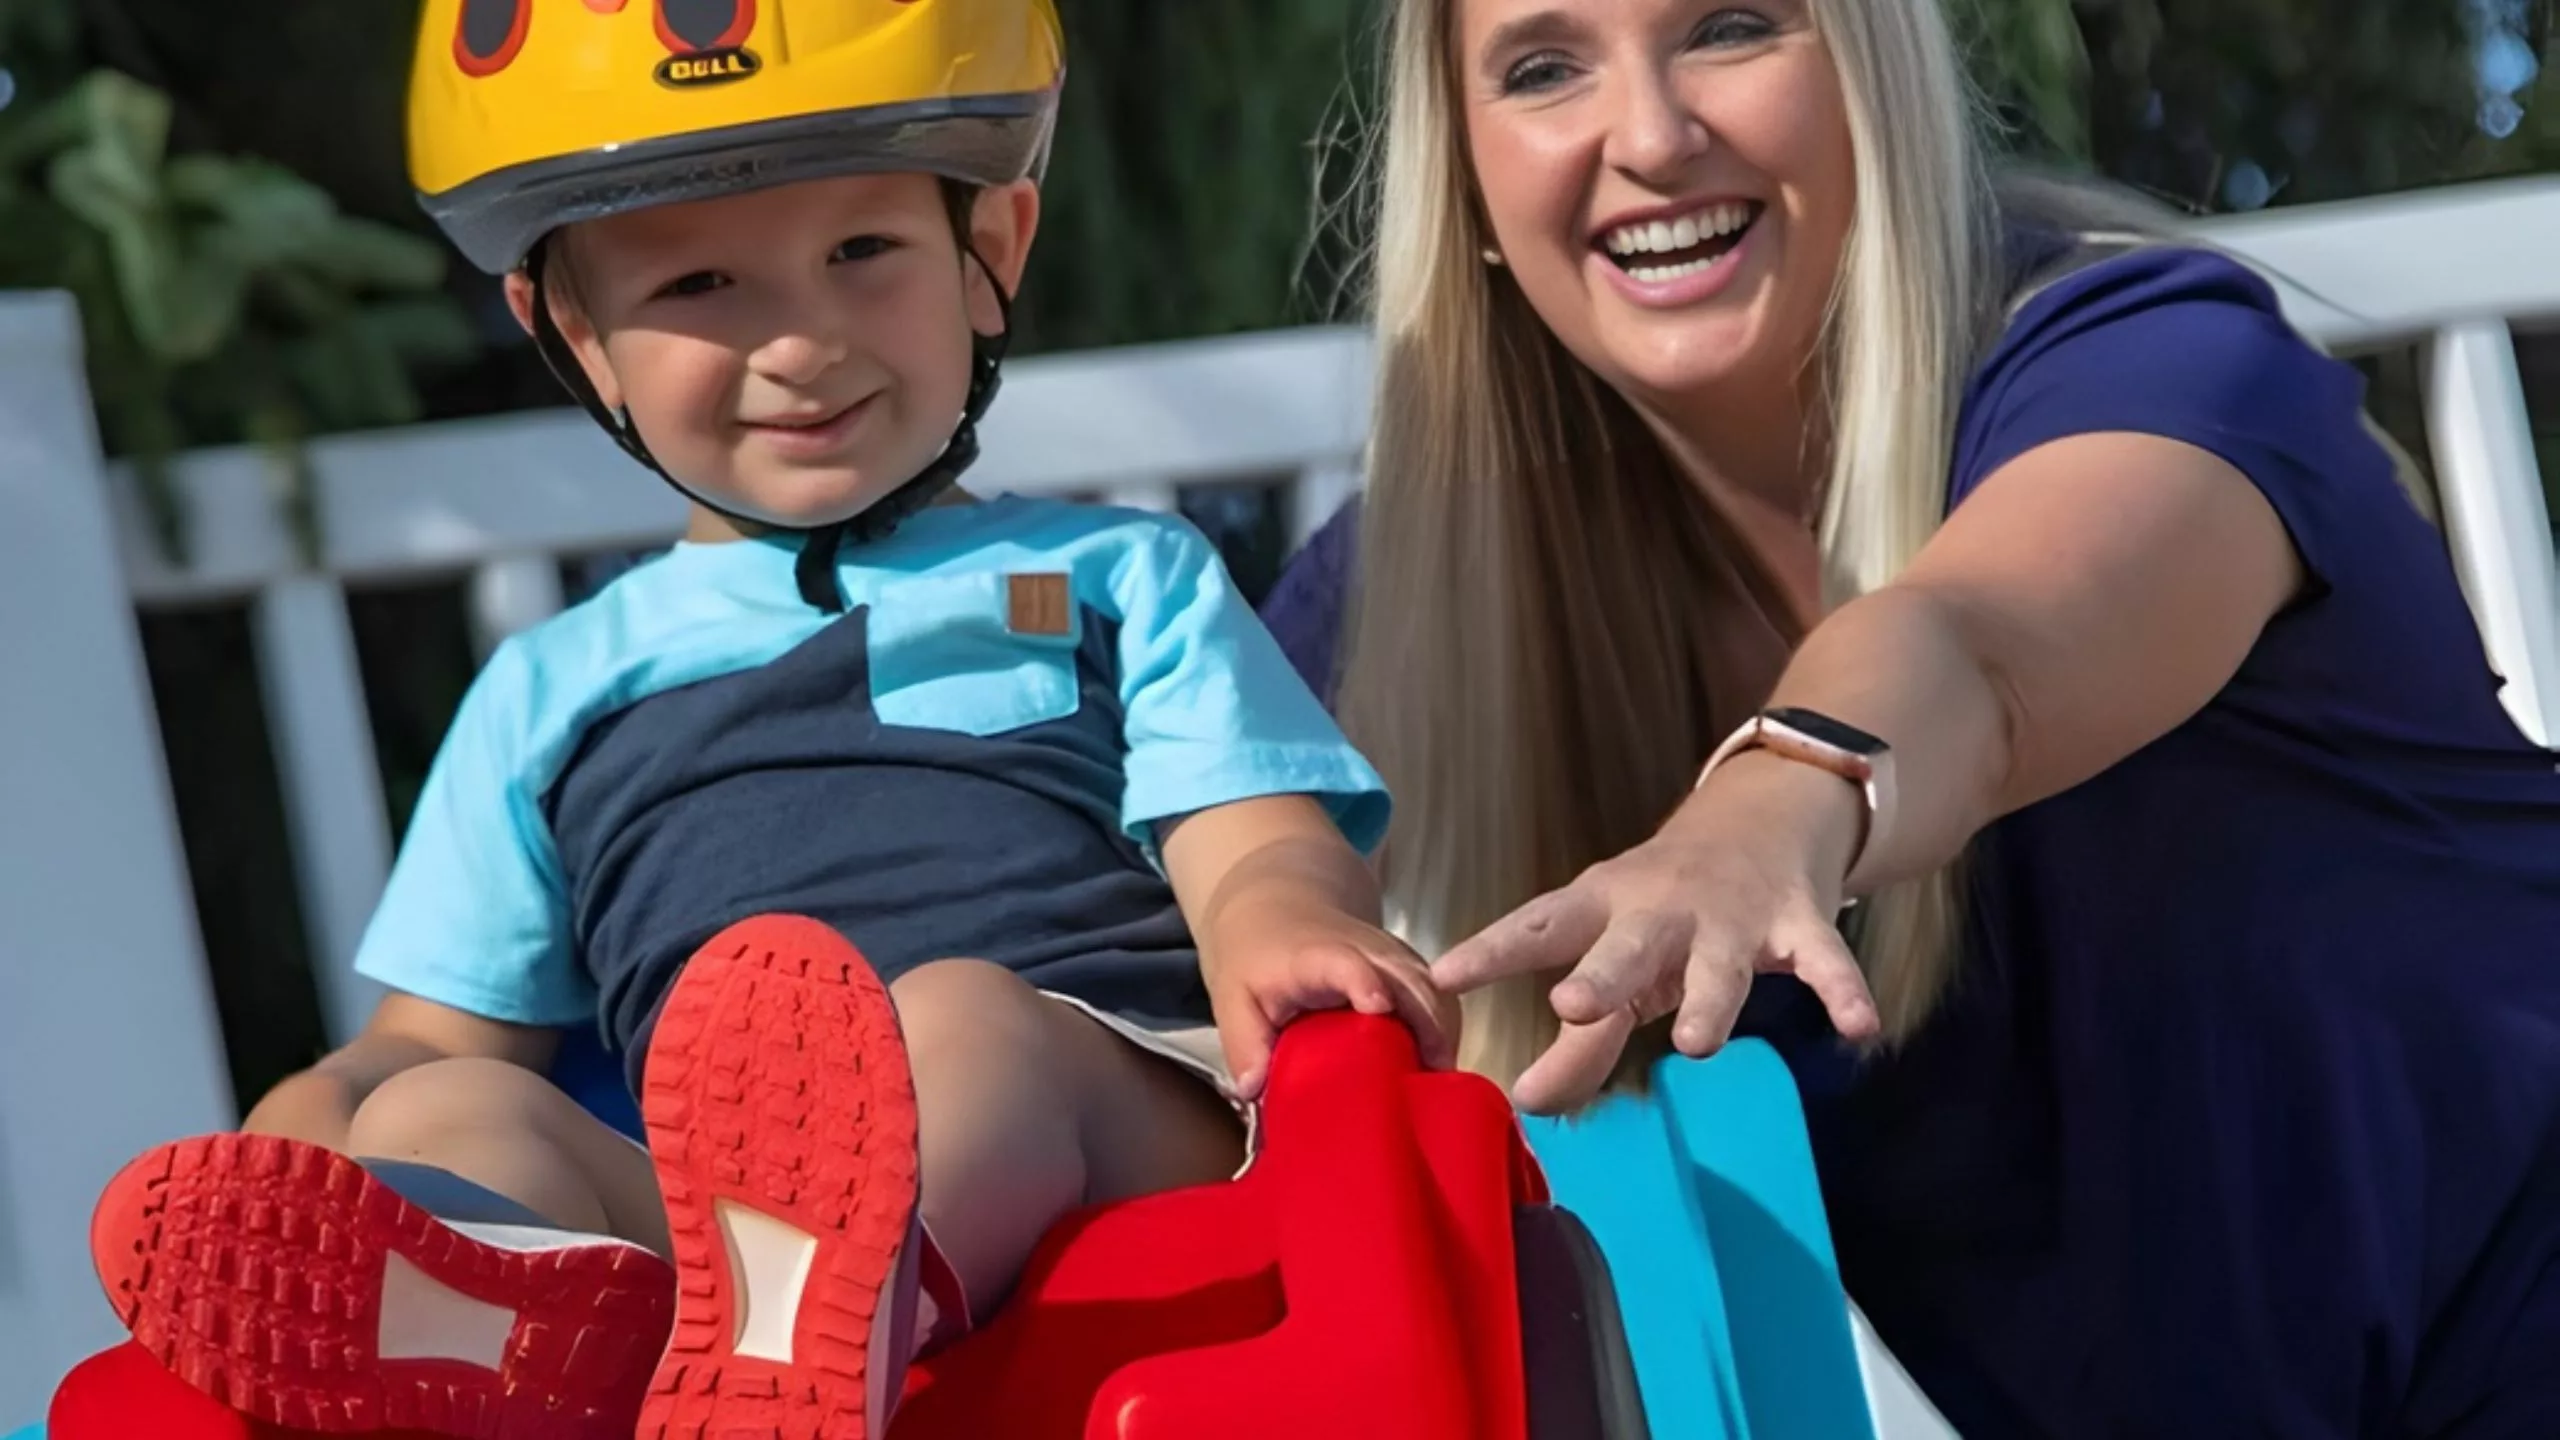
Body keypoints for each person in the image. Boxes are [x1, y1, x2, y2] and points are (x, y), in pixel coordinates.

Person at [87, 3, 1453, 1438]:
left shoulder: (1110, 578)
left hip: (1097, 1114)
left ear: (990, 248)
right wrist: (339, 1106)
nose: (802, 340)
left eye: (864, 253)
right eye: (700, 282)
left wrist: (1282, 918)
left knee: (942, 1030)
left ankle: (807, 1345)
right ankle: (519, 1354)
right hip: (716, 1222)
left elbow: (1250, 841)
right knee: (448, 1130)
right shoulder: (553, 691)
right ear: (574, 332)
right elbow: (437, 1041)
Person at [1256, 0, 2560, 1434]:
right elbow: (1154, 880)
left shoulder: (2157, 366)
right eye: (1547, 68)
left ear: (1873, 77)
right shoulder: (1439, 591)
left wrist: (1772, 803)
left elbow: (1980, 652)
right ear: (1476, 190)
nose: (1651, 136)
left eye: (1733, 28)